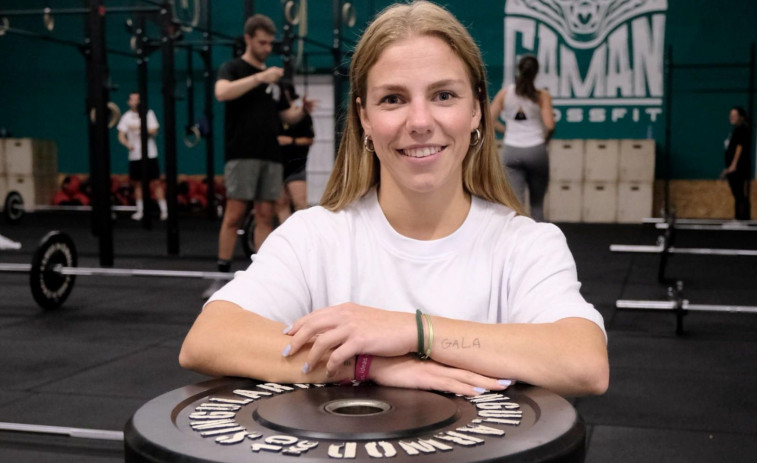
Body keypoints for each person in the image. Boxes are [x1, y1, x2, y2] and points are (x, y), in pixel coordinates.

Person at [181, 1, 608, 398]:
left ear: (477, 110)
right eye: (393, 99)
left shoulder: (526, 245)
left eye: (444, 95)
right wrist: (367, 364)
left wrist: (414, 332)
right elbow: (209, 338)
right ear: (364, 117)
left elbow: (584, 361)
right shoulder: (315, 237)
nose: (420, 122)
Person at [202, 14, 315, 299]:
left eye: (269, 44)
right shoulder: (234, 67)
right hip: (243, 153)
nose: (267, 48)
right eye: (262, 43)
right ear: (249, 39)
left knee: (266, 214)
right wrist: (259, 77)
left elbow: (283, 114)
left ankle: (261, 275)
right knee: (235, 214)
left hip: (271, 155)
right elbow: (221, 92)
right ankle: (221, 274)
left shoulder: (275, 81)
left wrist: (302, 111)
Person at [489, 56, 555, 222]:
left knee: (515, 205)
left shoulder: (505, 93)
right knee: (537, 205)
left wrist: (505, 131)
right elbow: (550, 125)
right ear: (536, 73)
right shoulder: (542, 95)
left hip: (512, 150)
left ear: (519, 70)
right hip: (536, 149)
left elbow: (489, 120)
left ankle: (517, 245)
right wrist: (545, 139)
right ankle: (539, 245)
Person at [117, 92, 167, 221]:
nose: (134, 102)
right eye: (131, 99)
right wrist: (127, 144)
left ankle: (164, 211)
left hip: (150, 154)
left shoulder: (148, 114)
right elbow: (121, 135)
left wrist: (138, 125)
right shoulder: (126, 117)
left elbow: (154, 130)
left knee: (155, 182)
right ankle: (140, 211)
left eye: (136, 99)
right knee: (137, 184)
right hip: (135, 156)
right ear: (128, 102)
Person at [276, 82, 315, 224]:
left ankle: (305, 239)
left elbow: (309, 139)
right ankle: (286, 236)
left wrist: (290, 141)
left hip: (296, 164)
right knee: (281, 205)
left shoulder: (303, 116)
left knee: (300, 204)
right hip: (277, 164)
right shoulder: (274, 116)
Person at [722, 106, 752, 220]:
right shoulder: (735, 130)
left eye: (735, 115)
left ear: (741, 117)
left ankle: (742, 218)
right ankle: (739, 217)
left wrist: (733, 165)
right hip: (732, 167)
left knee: (739, 193)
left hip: (738, 168)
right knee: (737, 193)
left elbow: (739, 148)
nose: (732, 117)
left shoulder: (742, 129)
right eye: (731, 115)